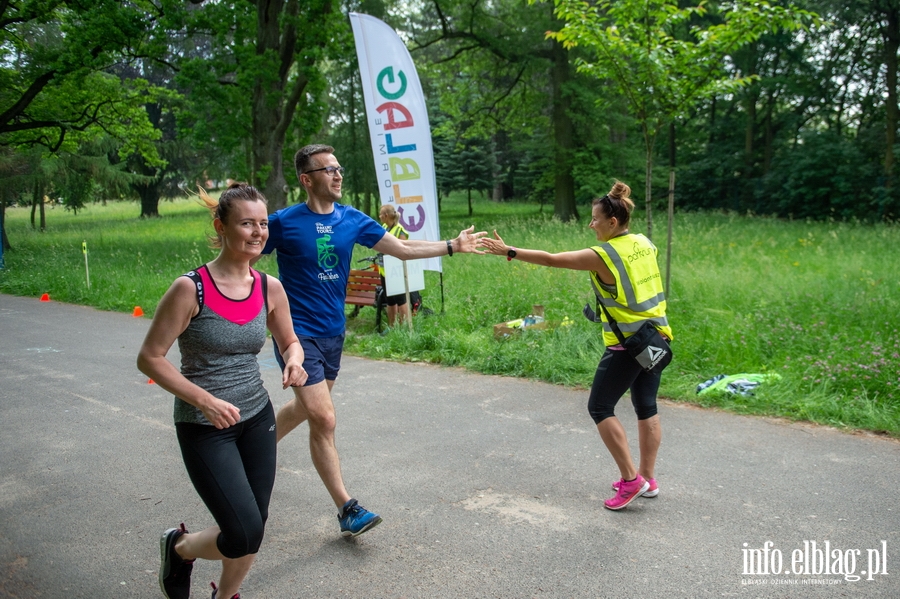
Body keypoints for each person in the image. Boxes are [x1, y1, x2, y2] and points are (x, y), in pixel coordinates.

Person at [258, 144, 485, 536]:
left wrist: (452, 246)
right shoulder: (283, 222)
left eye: (339, 167)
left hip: (333, 334)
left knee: (308, 411)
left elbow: (401, 248)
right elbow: (241, 257)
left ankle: (253, 446)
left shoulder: (352, 219)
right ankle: (347, 508)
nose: (338, 174)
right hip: (297, 336)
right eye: (328, 169)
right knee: (324, 418)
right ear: (306, 179)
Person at [137, 183, 307, 599]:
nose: (258, 232)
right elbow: (150, 357)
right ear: (221, 226)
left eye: (263, 224)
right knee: (243, 529)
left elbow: (290, 340)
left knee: (255, 524)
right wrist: (205, 400)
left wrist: (294, 360)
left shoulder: (269, 287)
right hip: (204, 424)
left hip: (256, 417)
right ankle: (179, 547)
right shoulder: (189, 288)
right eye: (247, 223)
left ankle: (225, 595)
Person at [479, 181, 673, 511]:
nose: (590, 224)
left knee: (600, 408)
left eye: (595, 219)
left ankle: (631, 481)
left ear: (612, 223)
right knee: (646, 406)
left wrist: (509, 250)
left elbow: (553, 259)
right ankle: (648, 479)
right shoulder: (644, 242)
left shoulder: (603, 255)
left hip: (626, 345)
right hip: (658, 337)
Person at [377, 203, 411, 327]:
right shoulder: (383, 228)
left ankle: (403, 327)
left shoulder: (400, 230)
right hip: (384, 270)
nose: (379, 217)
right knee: (390, 300)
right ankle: (392, 327)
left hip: (396, 270)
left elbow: (403, 249)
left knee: (400, 300)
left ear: (386, 215)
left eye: (381, 214)